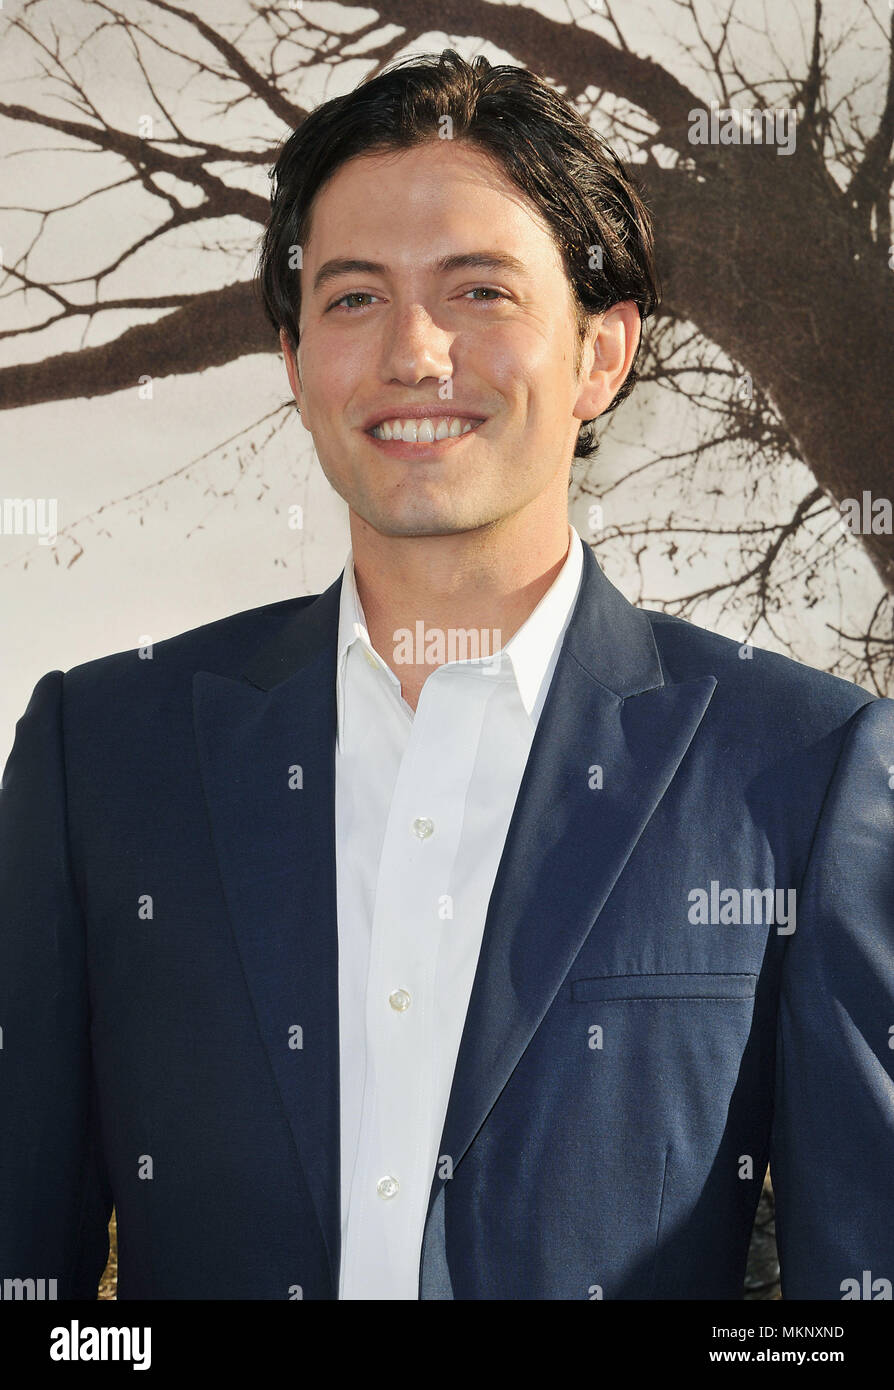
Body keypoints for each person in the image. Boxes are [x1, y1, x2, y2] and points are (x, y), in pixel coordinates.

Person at [1, 50, 892, 1302]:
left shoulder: (799, 766)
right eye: (354, 298)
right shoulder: (99, 756)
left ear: (600, 355)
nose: (415, 354)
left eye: (479, 290)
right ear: (296, 358)